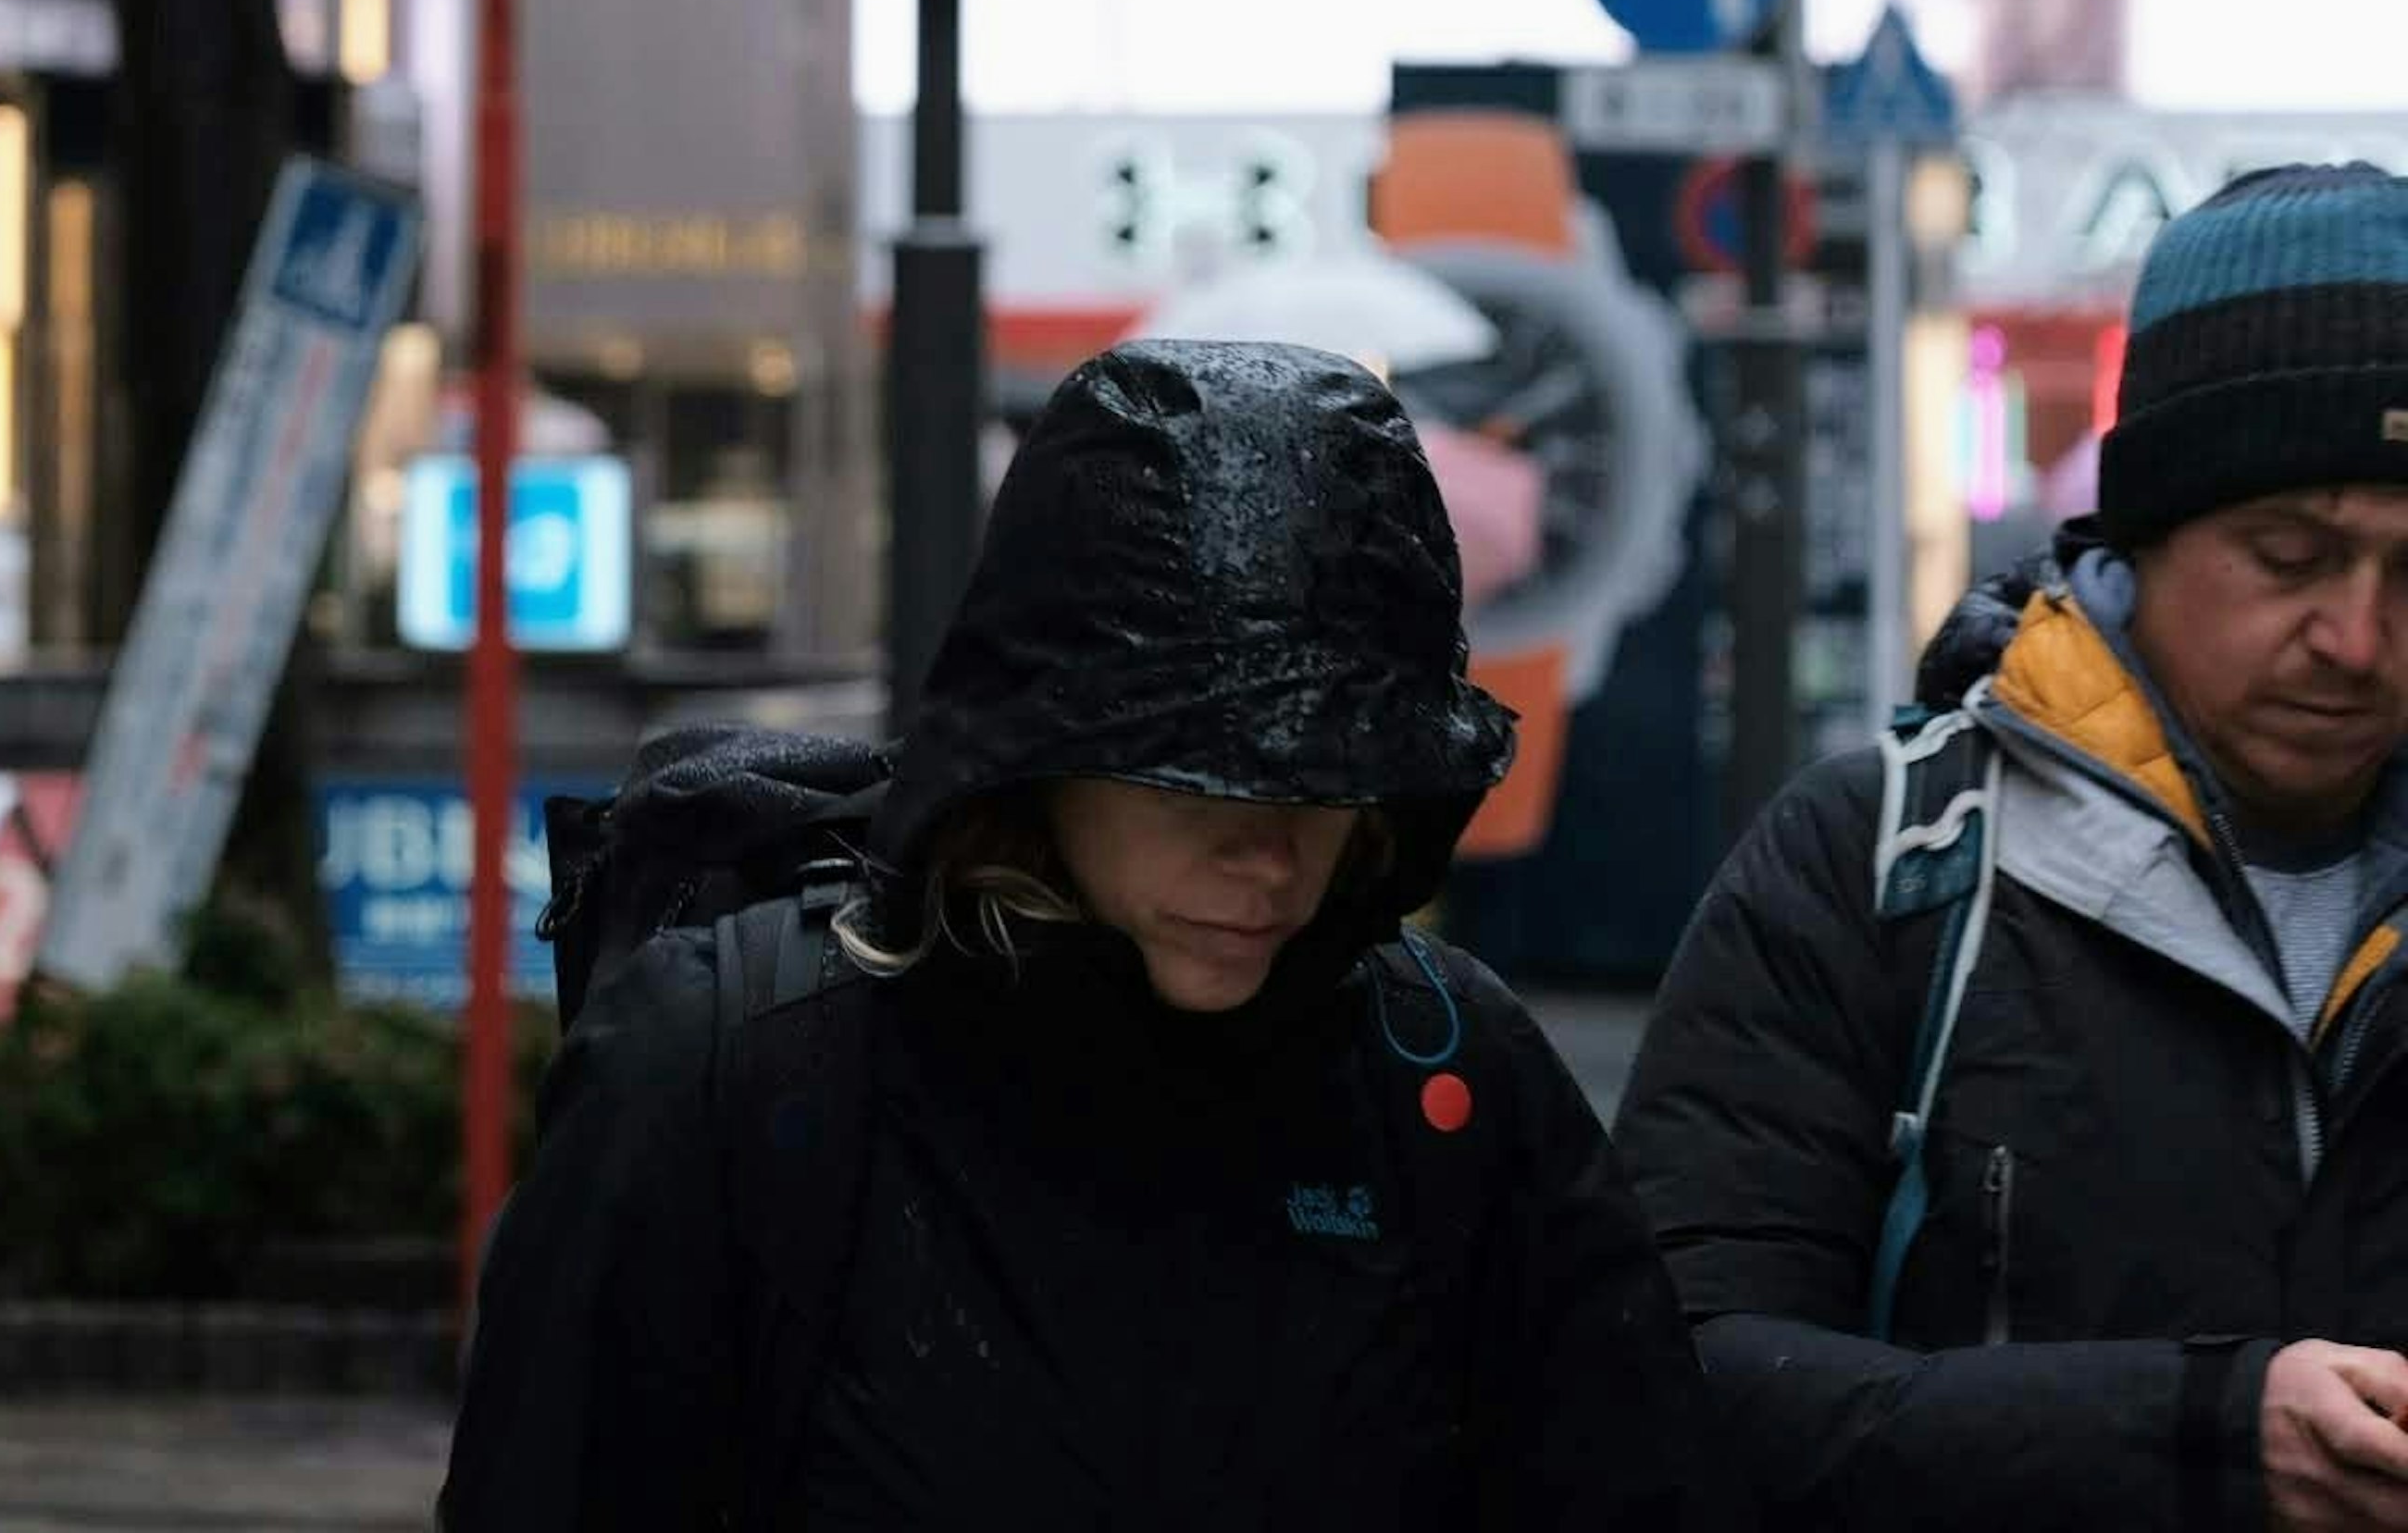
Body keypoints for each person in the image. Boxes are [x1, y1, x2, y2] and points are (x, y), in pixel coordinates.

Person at [444, 340, 1740, 1529]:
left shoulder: (1450, 1082)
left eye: (1330, 781)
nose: (1270, 854)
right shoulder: (734, 1070)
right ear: (1037, 758)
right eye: (1197, 781)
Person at [1619, 162, 2408, 1533]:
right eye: (2289, 556)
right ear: (2147, 534)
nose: (2358, 639)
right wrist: (2198, 1438)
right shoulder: (1874, 865)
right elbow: (1671, 1382)